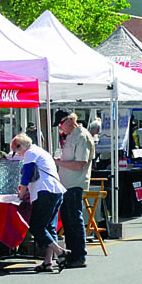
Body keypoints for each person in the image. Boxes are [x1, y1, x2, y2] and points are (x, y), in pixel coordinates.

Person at [12, 133, 69, 273]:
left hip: (45, 191)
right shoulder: (41, 151)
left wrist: (22, 192)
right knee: (49, 227)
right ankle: (48, 262)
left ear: (21, 146)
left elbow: (26, 174)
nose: (18, 154)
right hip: (56, 190)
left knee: (37, 226)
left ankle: (60, 252)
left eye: (17, 150)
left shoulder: (30, 153)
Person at [55, 113, 94, 269]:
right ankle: (72, 254)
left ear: (70, 120)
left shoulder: (82, 136)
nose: (60, 128)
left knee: (74, 219)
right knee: (68, 220)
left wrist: (57, 162)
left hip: (74, 183)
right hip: (66, 183)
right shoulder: (72, 135)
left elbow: (79, 164)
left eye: (61, 124)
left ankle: (79, 255)